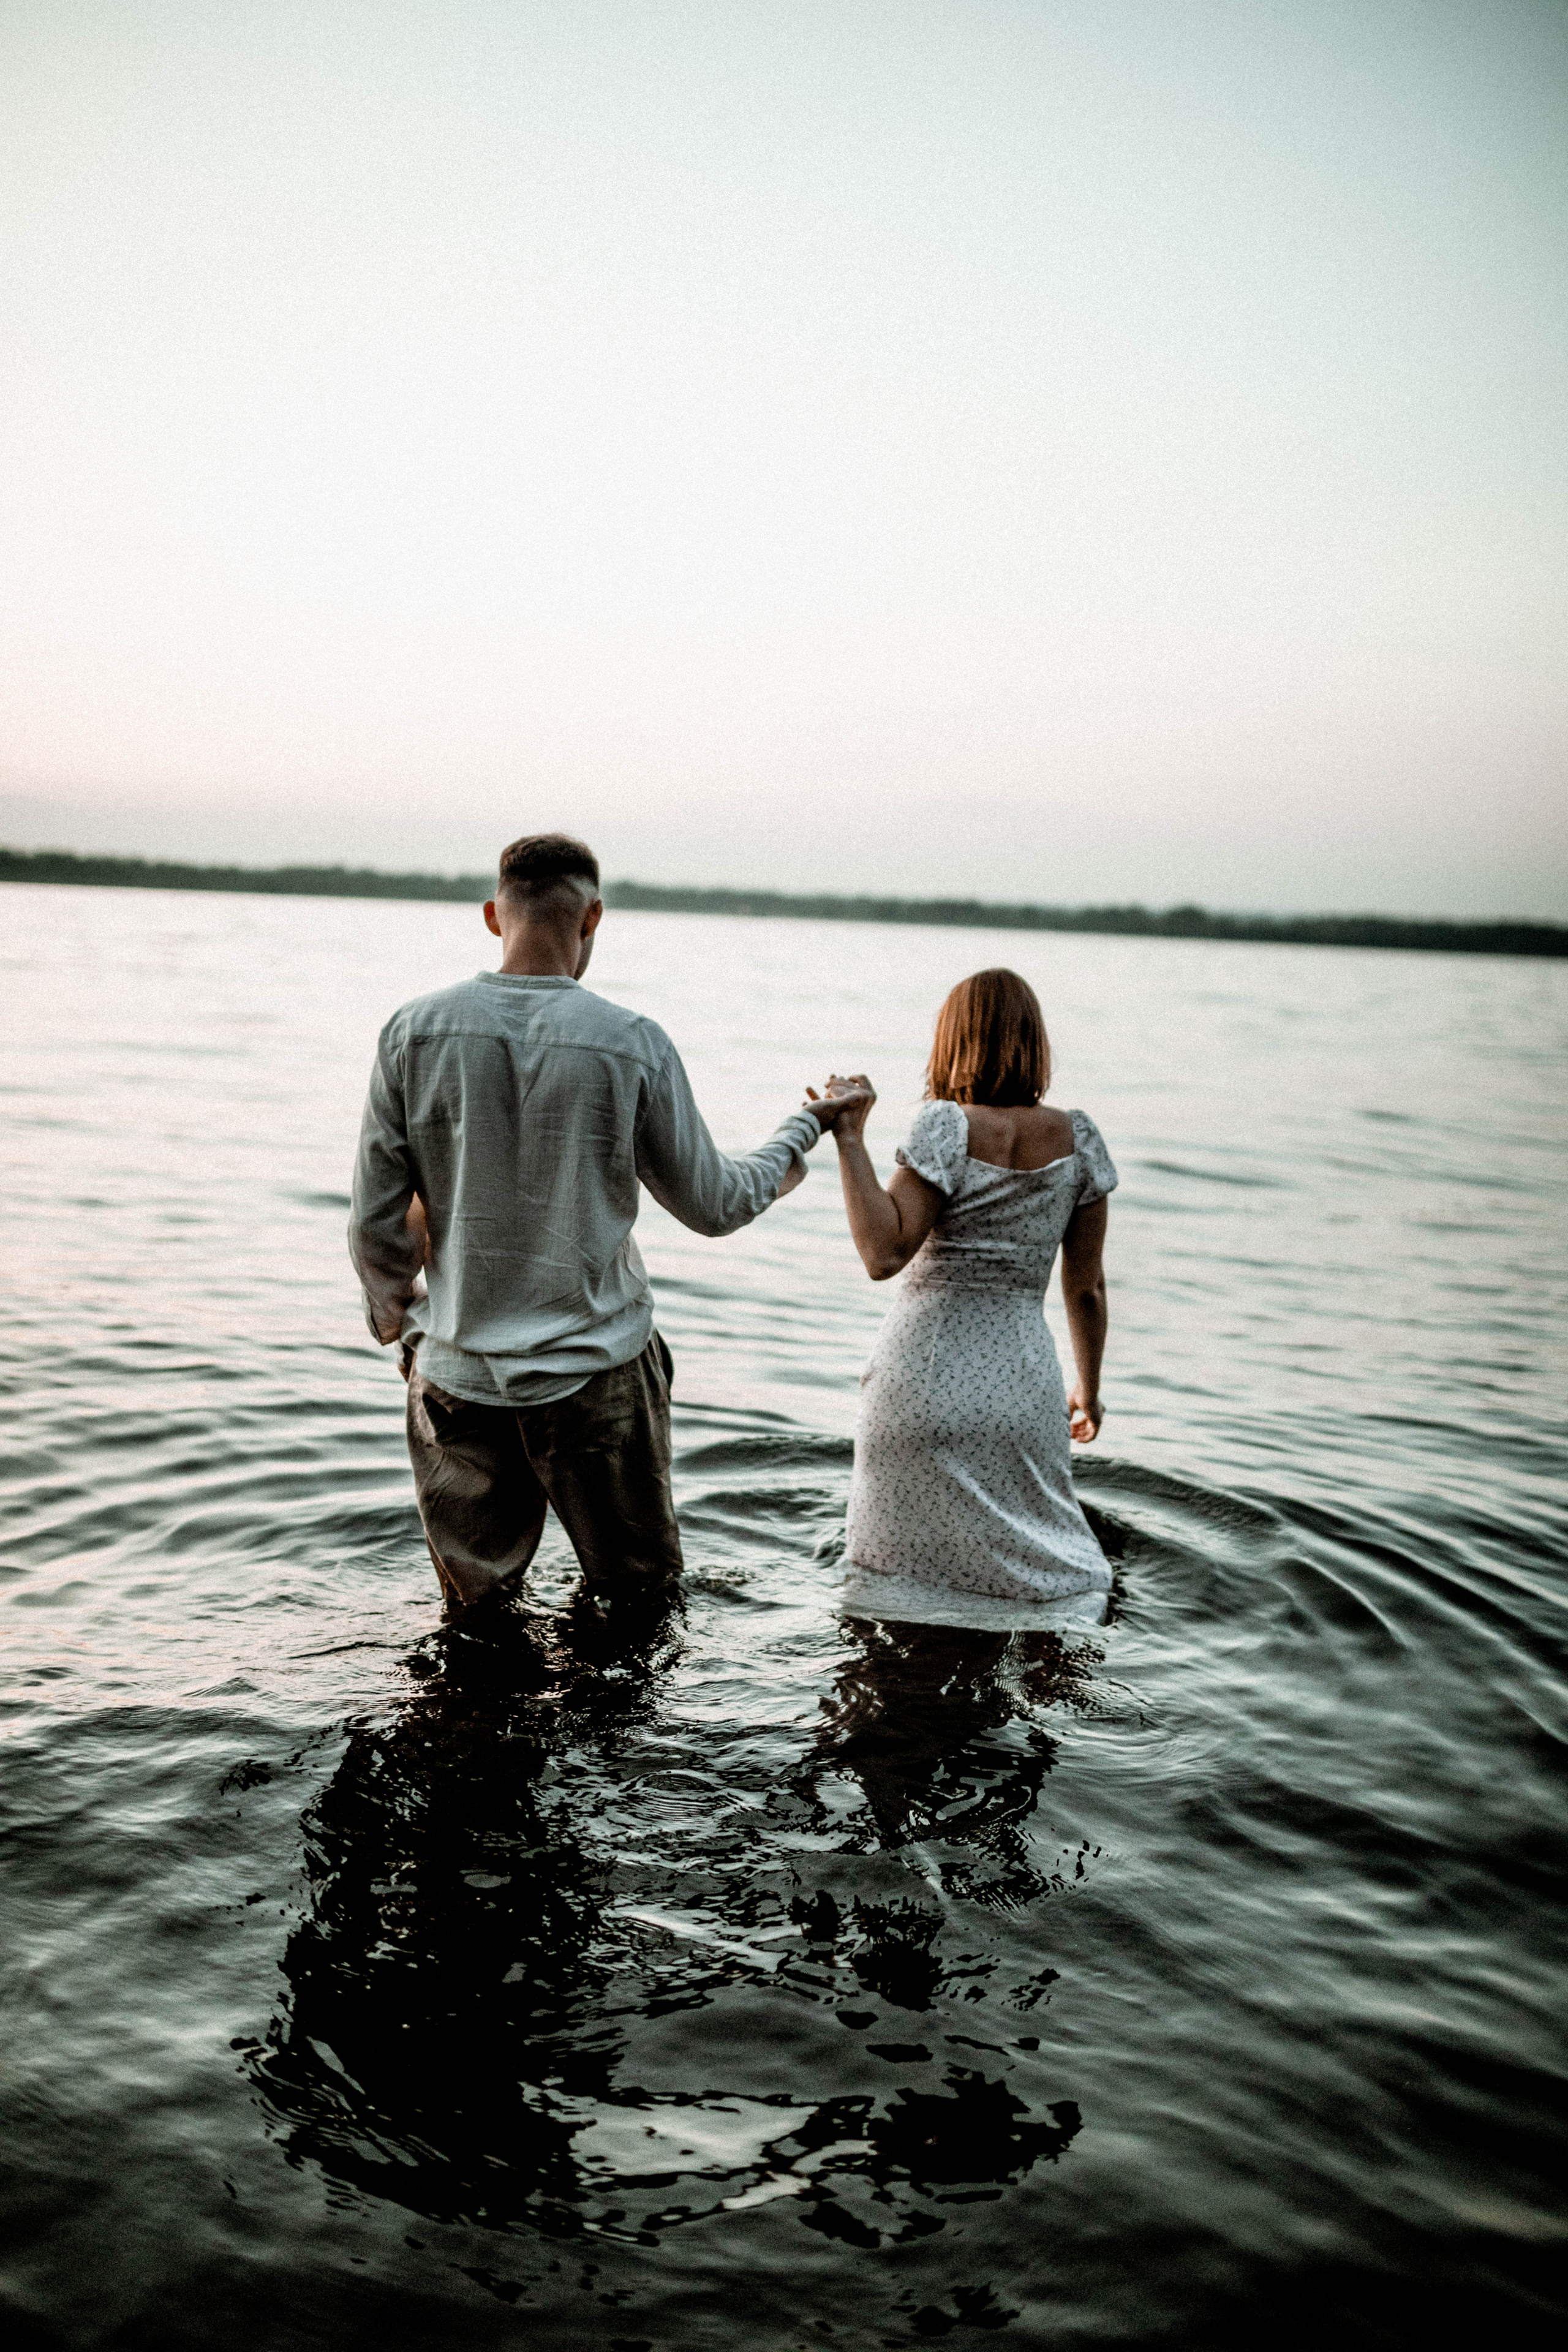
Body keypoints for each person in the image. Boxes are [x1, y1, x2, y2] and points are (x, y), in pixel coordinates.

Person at [349, 831, 864, 1612]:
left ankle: (472, 1733)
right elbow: (717, 1204)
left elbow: (373, 1220)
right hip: (594, 1374)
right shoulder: (629, 1044)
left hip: (456, 1379)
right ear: (593, 919)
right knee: (638, 1607)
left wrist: (406, 1325)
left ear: (494, 915)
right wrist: (808, 1128)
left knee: (474, 1621)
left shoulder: (411, 1033)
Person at [812, 967, 1117, 1630]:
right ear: (1034, 1044)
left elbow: (882, 1254)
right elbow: (1085, 1286)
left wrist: (849, 1138)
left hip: (922, 1375)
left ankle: (902, 1678)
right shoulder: (1081, 1138)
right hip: (1021, 1381)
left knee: (893, 1576)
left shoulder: (942, 1127)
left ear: (951, 1043)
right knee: (1040, 1559)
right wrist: (1088, 1390)